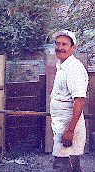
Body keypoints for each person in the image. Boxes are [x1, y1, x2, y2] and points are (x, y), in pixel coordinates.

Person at [50, 30, 88, 171]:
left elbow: (79, 100)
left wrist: (70, 130)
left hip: (69, 127)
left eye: (64, 44)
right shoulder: (61, 66)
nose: (60, 47)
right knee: (72, 165)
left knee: (63, 165)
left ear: (73, 47)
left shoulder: (74, 68)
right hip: (62, 126)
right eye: (58, 44)